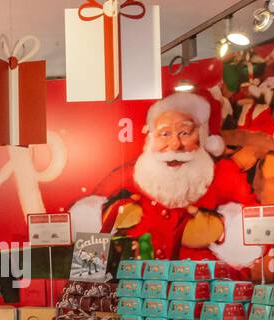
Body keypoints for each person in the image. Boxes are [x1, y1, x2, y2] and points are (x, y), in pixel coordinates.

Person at [68, 91, 262, 271]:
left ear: (202, 136)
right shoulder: (129, 176)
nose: (175, 145)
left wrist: (221, 232)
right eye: (165, 133)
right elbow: (87, 245)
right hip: (137, 294)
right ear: (151, 138)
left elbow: (256, 236)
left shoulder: (223, 174)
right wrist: (110, 216)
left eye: (185, 133)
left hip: (204, 296)